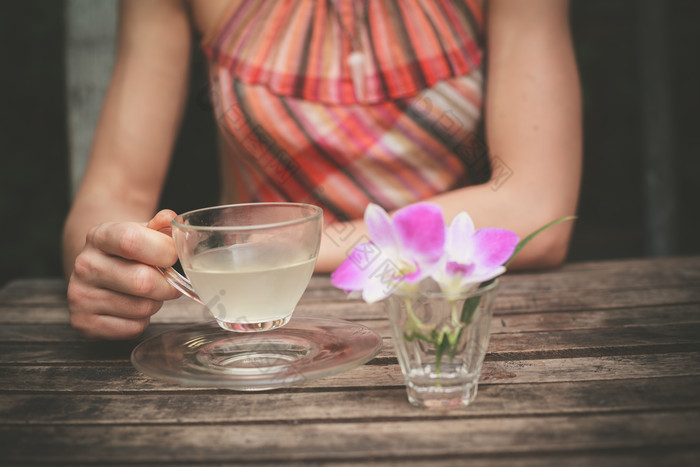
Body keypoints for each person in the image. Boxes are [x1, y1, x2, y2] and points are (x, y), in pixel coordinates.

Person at [63, 0, 582, 339]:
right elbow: (114, 188)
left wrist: (276, 248)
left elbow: (536, 206)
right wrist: (113, 263)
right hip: (251, 330)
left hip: (442, 320)